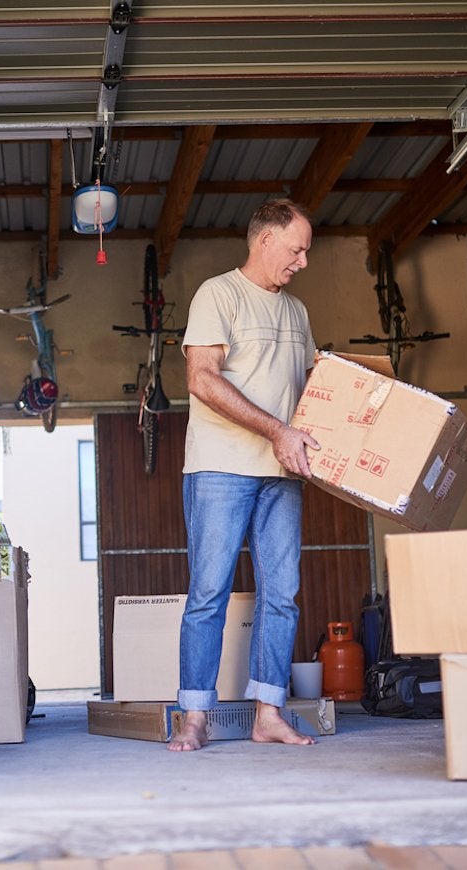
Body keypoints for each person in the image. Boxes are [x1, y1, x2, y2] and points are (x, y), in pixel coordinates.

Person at [168, 198, 321, 752]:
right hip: (220, 467)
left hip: (283, 472)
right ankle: (195, 719)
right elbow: (202, 379)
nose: (302, 261)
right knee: (208, 593)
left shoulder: (297, 313)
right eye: (296, 249)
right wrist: (276, 431)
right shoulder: (219, 294)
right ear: (264, 240)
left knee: (282, 594)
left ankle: (268, 715)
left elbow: (310, 392)